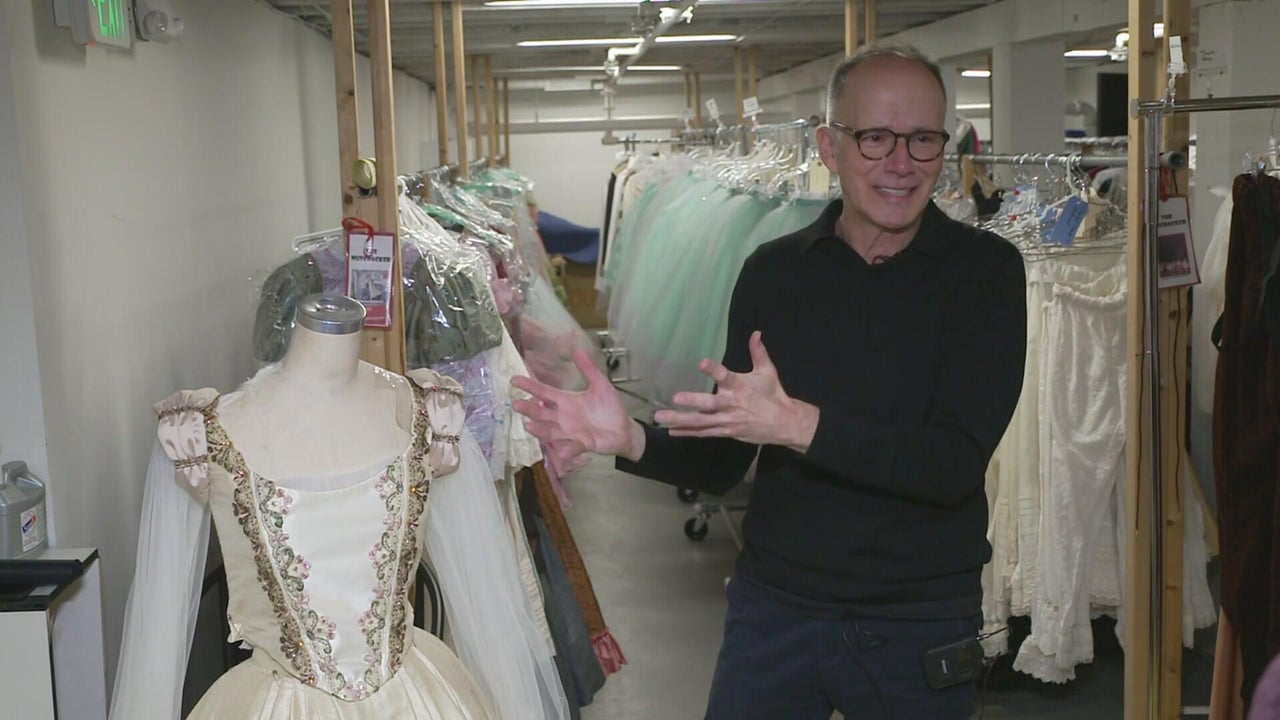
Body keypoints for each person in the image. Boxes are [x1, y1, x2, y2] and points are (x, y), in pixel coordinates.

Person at [512, 42, 1027, 720]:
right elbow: (726, 457)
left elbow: (952, 464)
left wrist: (799, 426)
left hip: (918, 621)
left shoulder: (985, 273)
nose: (901, 163)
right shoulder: (775, 271)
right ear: (829, 146)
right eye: (875, 137)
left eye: (923, 139)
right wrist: (631, 439)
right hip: (777, 610)